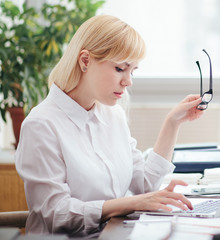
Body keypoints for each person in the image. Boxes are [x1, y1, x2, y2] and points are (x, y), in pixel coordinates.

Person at [15, 15, 204, 237]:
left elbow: (144, 186)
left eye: (132, 70)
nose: (128, 81)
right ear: (85, 61)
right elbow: (57, 214)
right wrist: (130, 203)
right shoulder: (41, 125)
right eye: (120, 69)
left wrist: (172, 123)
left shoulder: (113, 114)